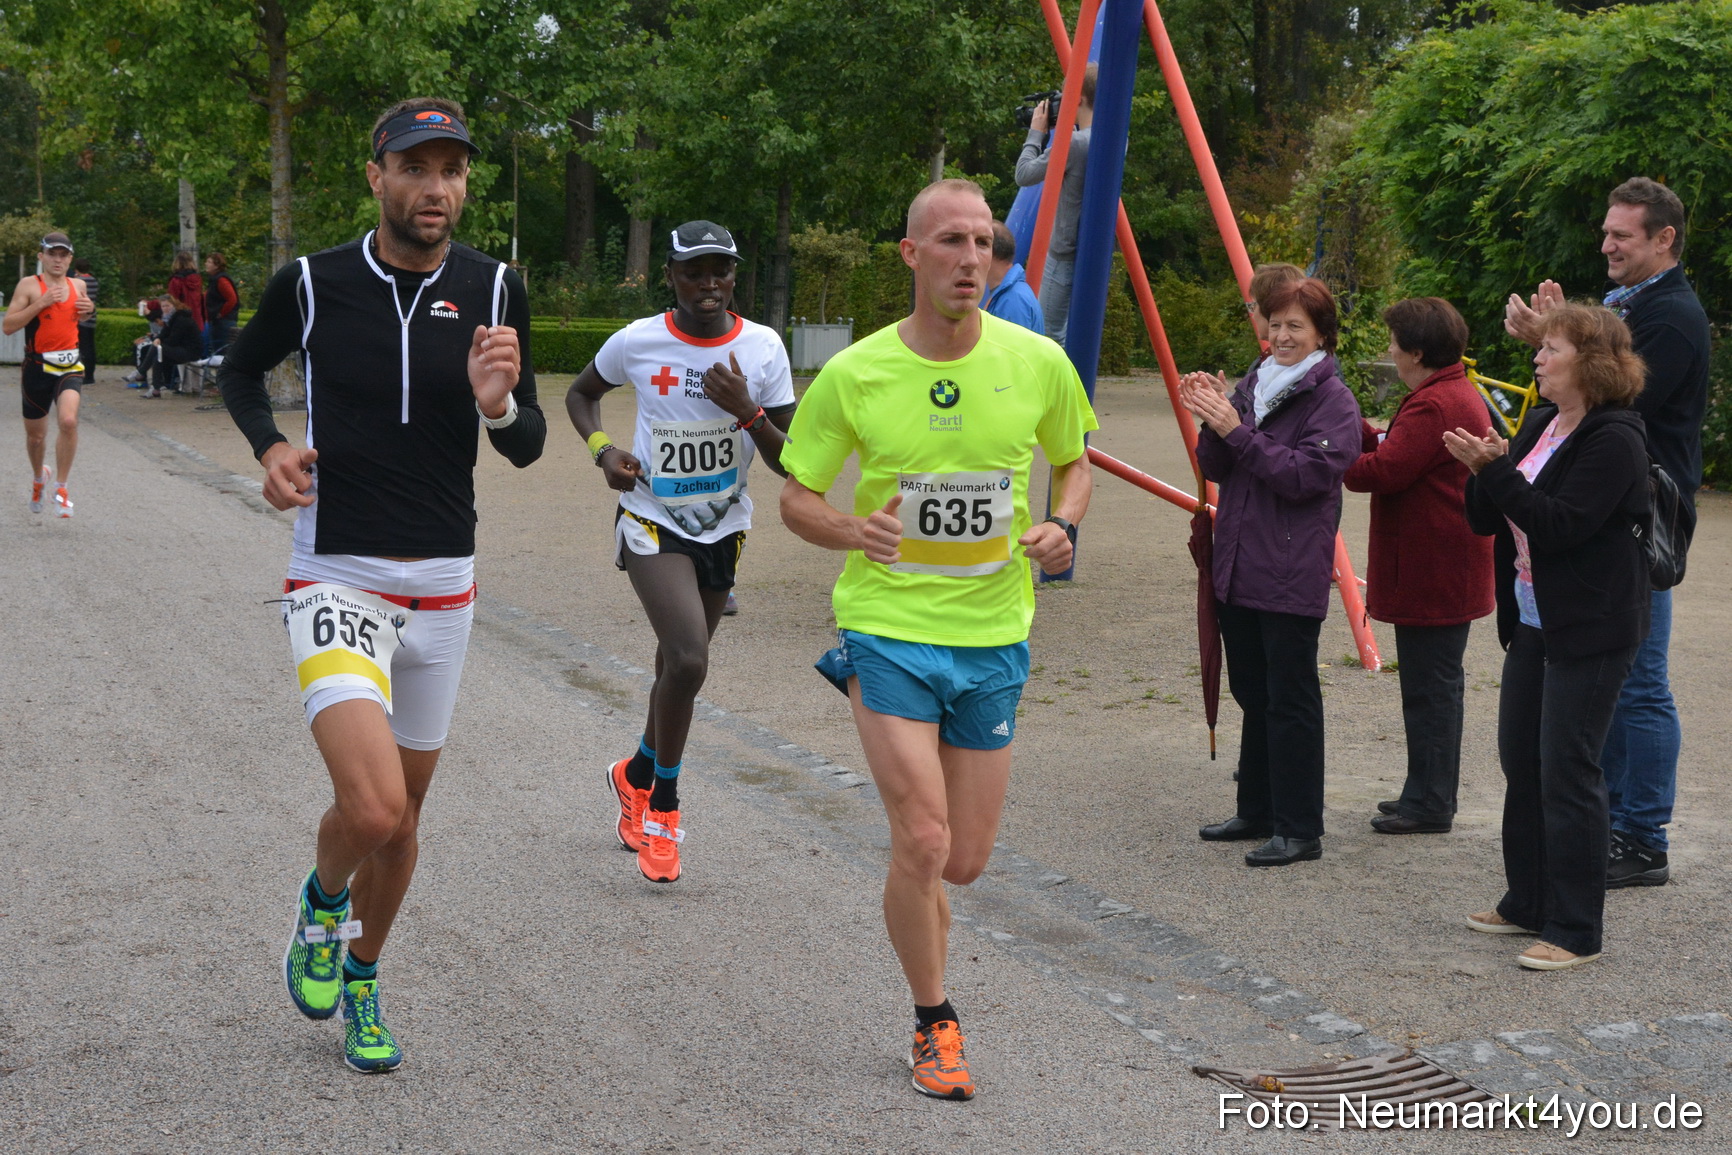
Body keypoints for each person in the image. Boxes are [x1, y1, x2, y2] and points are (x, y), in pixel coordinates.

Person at [218, 96, 545, 1072]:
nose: (436, 186)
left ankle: (363, 977)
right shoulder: (312, 284)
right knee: (372, 812)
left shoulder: (496, 289)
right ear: (378, 176)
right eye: (416, 166)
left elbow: (526, 443)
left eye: (451, 168)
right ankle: (322, 905)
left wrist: (498, 406)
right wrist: (271, 448)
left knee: (406, 823)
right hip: (336, 576)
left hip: (446, 589)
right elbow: (240, 373)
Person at [780, 178, 1096, 1101]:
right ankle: (934, 1021)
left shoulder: (1037, 361)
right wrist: (852, 530)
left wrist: (1062, 523)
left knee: (963, 858)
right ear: (911, 255)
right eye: (950, 241)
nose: (972, 257)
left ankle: (923, 906)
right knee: (921, 838)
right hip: (888, 627)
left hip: (994, 633)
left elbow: (1073, 462)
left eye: (984, 241)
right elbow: (798, 496)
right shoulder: (857, 372)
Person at [566, 220, 796, 884]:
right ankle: (663, 808)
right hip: (651, 521)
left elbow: (793, 461)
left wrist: (748, 412)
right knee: (691, 658)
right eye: (695, 271)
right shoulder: (640, 340)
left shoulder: (763, 347)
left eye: (721, 270)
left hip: (724, 525)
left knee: (676, 665)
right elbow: (581, 394)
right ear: (671, 275)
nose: (709, 283)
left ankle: (634, 772)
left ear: (734, 276)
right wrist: (602, 451)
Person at [1505, 178, 1707, 890]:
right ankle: (1612, 821)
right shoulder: (1635, 306)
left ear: (1664, 239)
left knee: (1640, 680)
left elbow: (1621, 401)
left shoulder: (1672, 316)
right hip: (1610, 516)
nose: (1607, 245)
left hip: (1641, 521)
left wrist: (1561, 344)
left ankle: (1642, 836)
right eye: (1607, 231)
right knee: (1617, 683)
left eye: (1623, 234)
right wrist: (1564, 339)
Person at [1450, 303, 1649, 971]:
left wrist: (1496, 473)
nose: (1539, 355)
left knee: (1568, 769)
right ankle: (1528, 899)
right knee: (1521, 760)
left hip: (1591, 627)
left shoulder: (1615, 437)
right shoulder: (1541, 421)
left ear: (1591, 363)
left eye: (1553, 346)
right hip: (1534, 620)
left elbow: (1562, 523)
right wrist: (1483, 470)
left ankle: (1576, 927)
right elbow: (1489, 519)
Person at [1181, 277, 1362, 867]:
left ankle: (1300, 827)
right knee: (1252, 692)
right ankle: (1256, 809)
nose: (1281, 335)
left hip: (1287, 562)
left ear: (1321, 335)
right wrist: (1212, 417)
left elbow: (1304, 477)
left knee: (1290, 697)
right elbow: (1216, 465)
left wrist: (1235, 429)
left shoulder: (1333, 398)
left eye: (1295, 327)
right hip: (1238, 556)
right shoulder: (1256, 381)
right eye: (1274, 323)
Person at [1344, 298, 1495, 835]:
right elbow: (1395, 450)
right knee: (1433, 687)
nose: (1389, 351)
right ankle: (1424, 792)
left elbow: (1384, 470)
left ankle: (1430, 803)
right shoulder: (1448, 392)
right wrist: (1357, 428)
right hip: (1446, 569)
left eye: (1393, 342)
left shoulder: (1434, 403)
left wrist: (1329, 447)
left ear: (1416, 351)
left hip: (1434, 570)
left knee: (1431, 690)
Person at [3, 231, 93, 518]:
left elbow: (79, 316)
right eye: (52, 254)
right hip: (37, 368)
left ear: (69, 259)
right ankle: (38, 477)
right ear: (41, 256)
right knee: (36, 439)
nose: (57, 259)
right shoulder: (29, 285)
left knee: (68, 420)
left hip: (69, 366)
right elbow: (8, 326)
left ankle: (62, 487)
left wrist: (89, 310)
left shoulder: (78, 284)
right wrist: (40, 303)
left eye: (63, 255)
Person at [1013, 63, 1095, 345]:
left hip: (1063, 253)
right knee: (1073, 334)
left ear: (1079, 97)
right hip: (1092, 251)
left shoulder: (1073, 143)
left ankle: (1055, 390)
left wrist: (1037, 132)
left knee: (1047, 337)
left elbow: (1024, 174)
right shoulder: (1115, 139)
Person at [982, 220, 1044, 335]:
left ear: (990, 252)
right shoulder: (1008, 294)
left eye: (979, 246)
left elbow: (1010, 351)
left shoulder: (1013, 300)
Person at [141, 292, 201, 398]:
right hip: (180, 349)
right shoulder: (170, 318)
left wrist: (158, 342)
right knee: (158, 354)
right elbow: (164, 334)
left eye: (167, 305)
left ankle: (142, 373)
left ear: (174, 305)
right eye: (163, 306)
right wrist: (157, 339)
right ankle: (156, 388)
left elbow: (174, 340)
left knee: (158, 349)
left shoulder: (181, 319)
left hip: (190, 352)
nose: (165, 308)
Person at [205, 251, 241, 354]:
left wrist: (221, 313)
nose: (206, 264)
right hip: (219, 321)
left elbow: (232, 299)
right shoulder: (215, 280)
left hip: (223, 322)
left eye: (209, 262)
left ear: (216, 266)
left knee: (222, 352)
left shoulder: (221, 280)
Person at [168, 249, 207, 335]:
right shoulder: (197, 279)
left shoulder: (176, 280)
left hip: (182, 320)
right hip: (198, 319)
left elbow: (172, 301)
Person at [72, 258, 98, 386]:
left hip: (81, 318)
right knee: (90, 347)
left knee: (82, 348)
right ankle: (90, 374)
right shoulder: (93, 280)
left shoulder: (78, 282)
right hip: (92, 316)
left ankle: (85, 375)